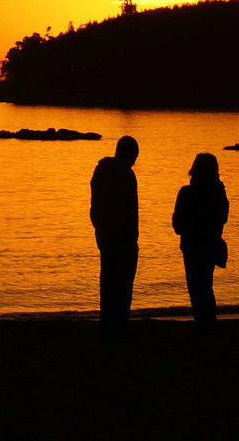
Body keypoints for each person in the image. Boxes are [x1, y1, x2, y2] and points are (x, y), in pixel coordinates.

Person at [172, 152, 228, 334]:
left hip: (192, 246)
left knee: (196, 287)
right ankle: (209, 323)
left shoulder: (187, 193)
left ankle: (203, 324)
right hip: (210, 244)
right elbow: (222, 218)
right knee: (205, 284)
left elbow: (177, 225)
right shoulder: (219, 193)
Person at [89, 135, 139, 339]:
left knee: (108, 280)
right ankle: (119, 326)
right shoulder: (127, 174)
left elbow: (95, 207)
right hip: (123, 237)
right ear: (128, 153)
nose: (135, 160)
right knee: (123, 284)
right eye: (135, 155)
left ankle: (107, 323)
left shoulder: (100, 171)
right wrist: (133, 237)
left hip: (105, 235)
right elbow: (130, 210)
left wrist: (99, 229)